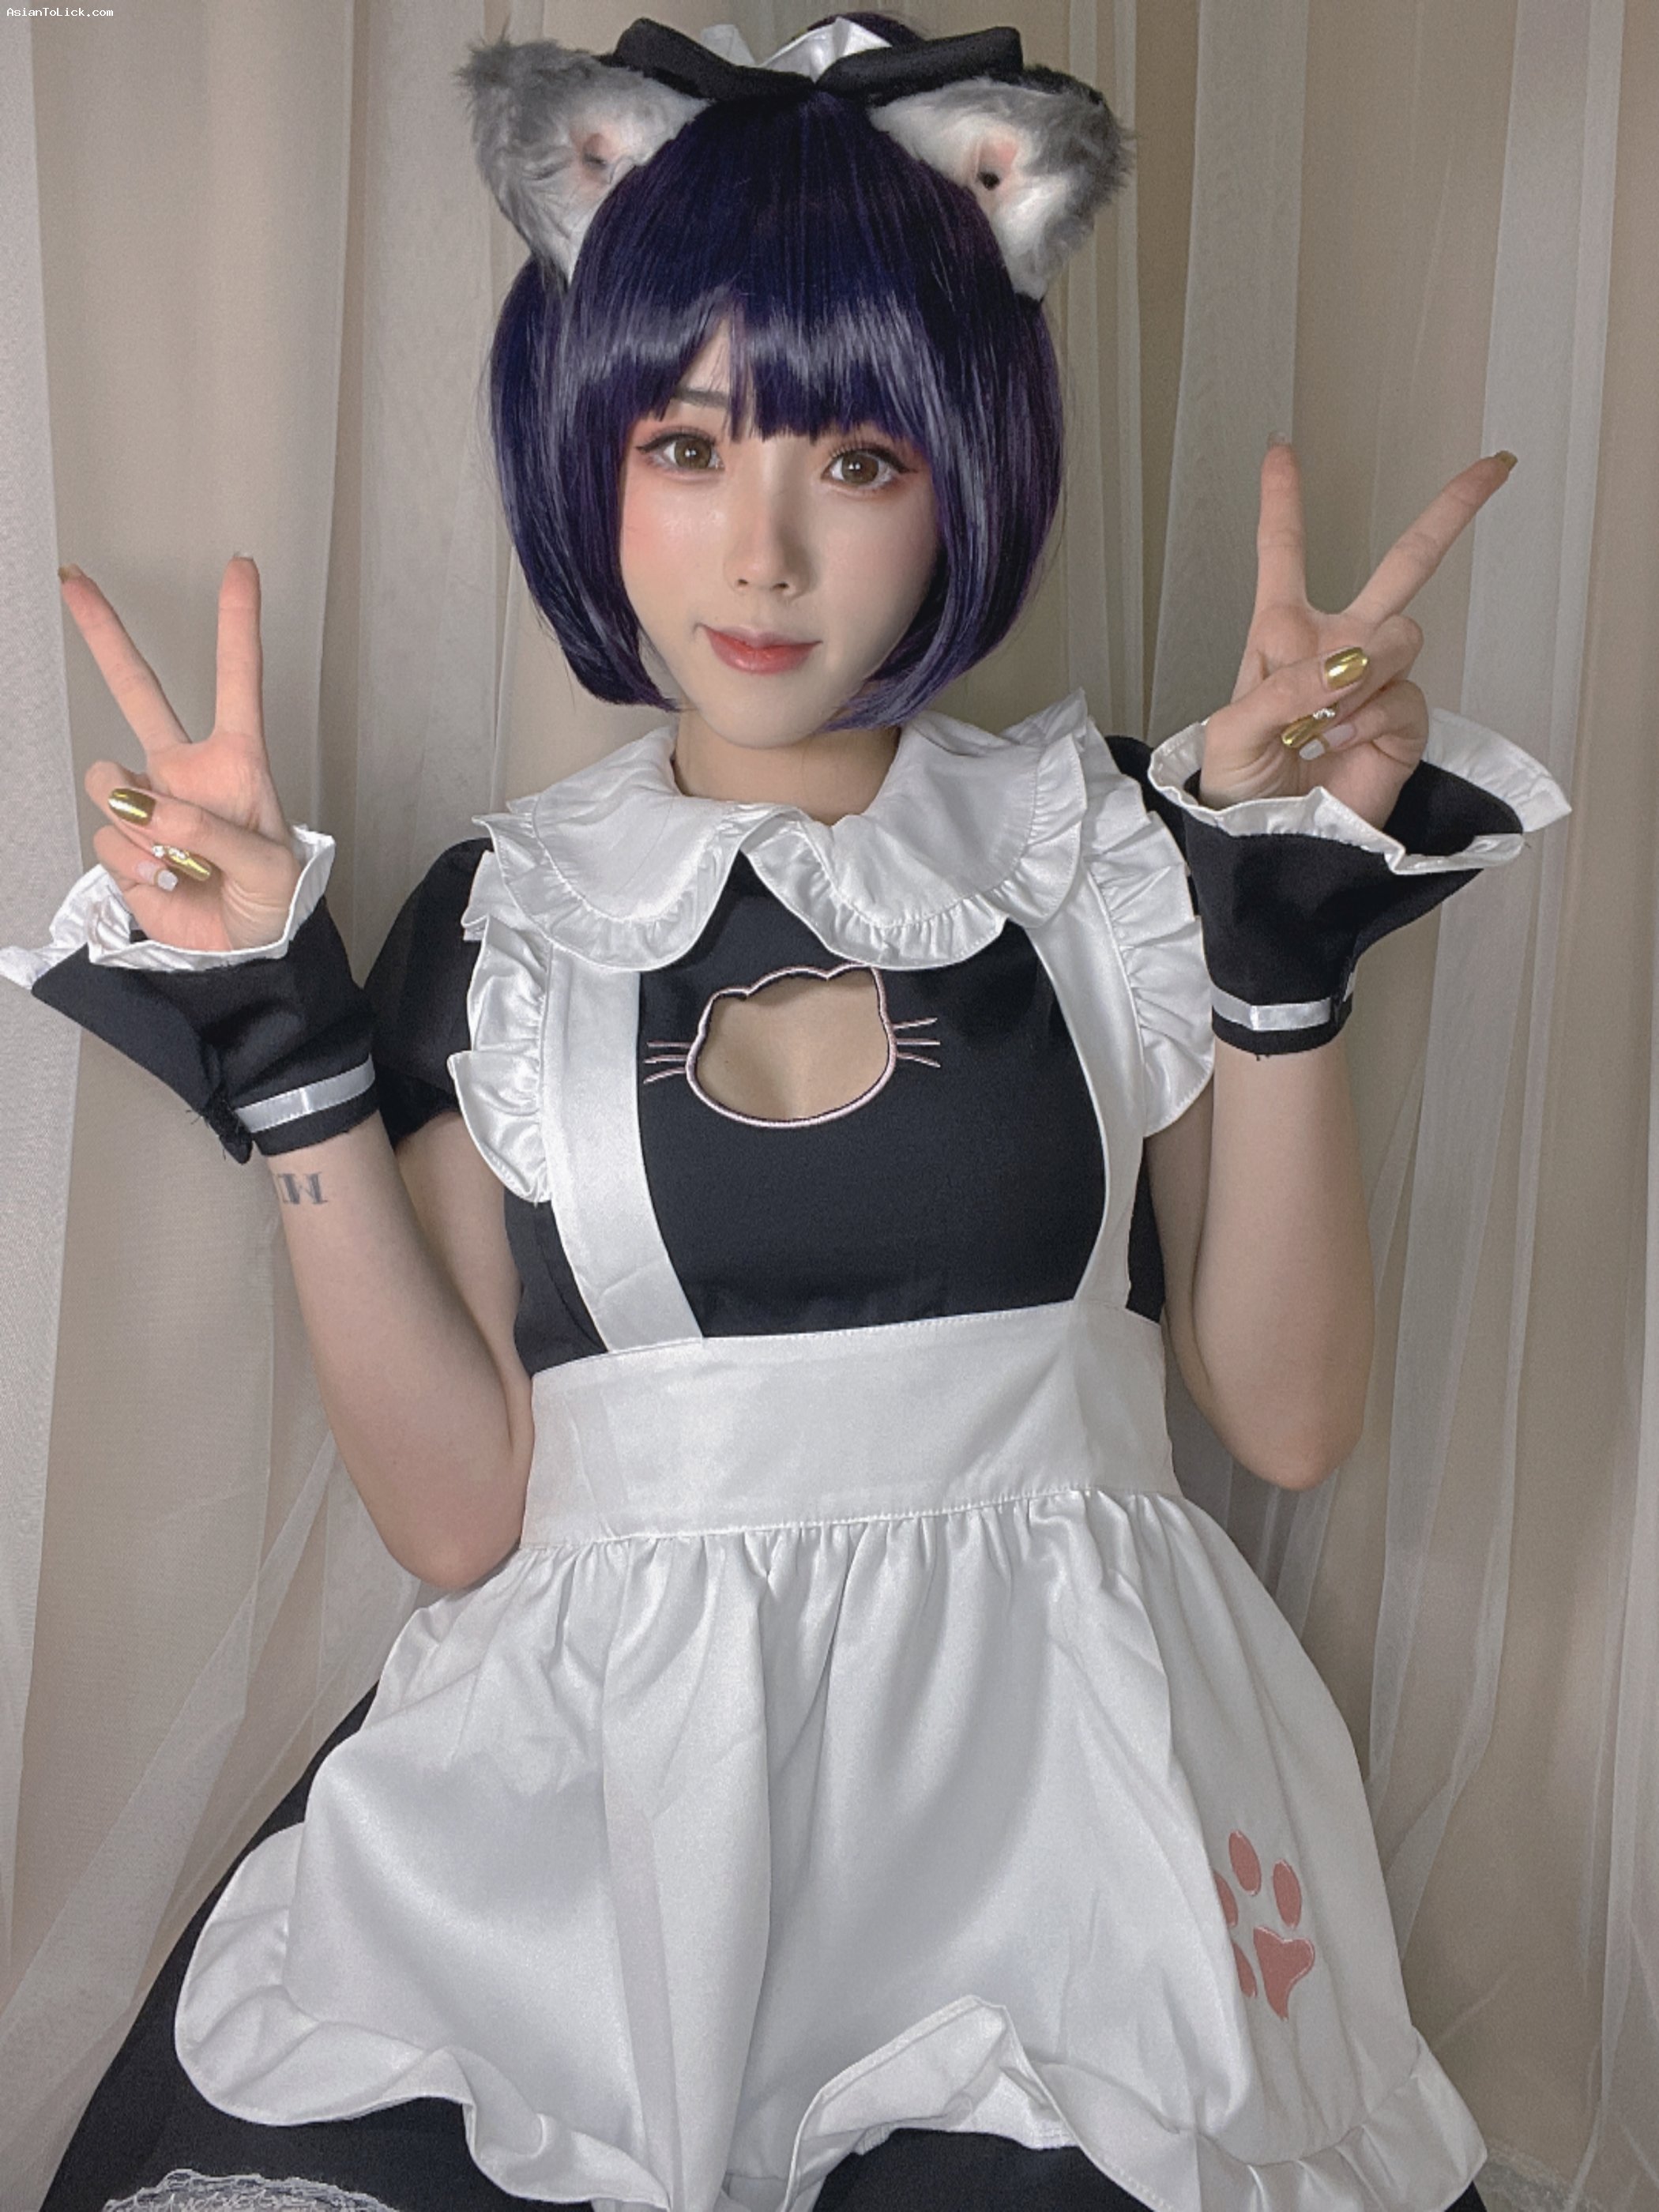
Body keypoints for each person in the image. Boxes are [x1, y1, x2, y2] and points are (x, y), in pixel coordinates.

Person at [4, 17, 1570, 2212]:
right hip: (611, 1813)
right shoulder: (504, 919)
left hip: (1068, 1807)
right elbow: (459, 1519)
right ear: (587, 460)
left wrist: (1282, 932)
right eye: (682, 444)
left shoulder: (1118, 852)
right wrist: (286, 1048)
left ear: (963, 472)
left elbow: (1286, 1419)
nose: (756, 556)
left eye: (851, 458)